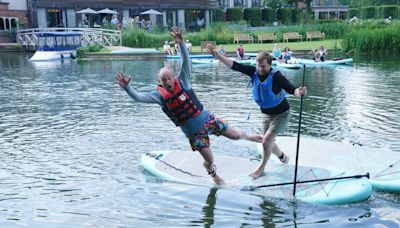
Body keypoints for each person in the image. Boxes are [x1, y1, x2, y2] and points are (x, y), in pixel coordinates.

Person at [116, 27, 262, 184]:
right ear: (160, 82)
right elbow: (138, 97)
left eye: (168, 78)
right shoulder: (159, 97)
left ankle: (249, 136)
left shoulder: (183, 80)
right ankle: (214, 176)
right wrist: (127, 88)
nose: (167, 82)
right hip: (194, 134)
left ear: (173, 77)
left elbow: (186, 60)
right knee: (209, 159)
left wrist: (181, 44)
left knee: (236, 136)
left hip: (208, 120)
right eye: (163, 80)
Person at [207, 44, 307, 179]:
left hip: (282, 114)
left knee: (266, 142)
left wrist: (299, 92)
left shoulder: (277, 77)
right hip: (266, 115)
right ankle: (283, 157)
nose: (260, 69)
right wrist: (217, 55)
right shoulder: (254, 72)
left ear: (270, 65)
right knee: (267, 142)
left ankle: (261, 168)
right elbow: (235, 65)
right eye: (258, 66)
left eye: (263, 66)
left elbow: (291, 89)